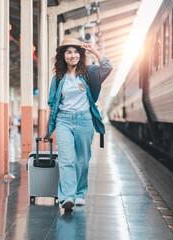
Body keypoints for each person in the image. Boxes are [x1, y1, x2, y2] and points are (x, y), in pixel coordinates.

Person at [44, 37, 112, 211]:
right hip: (63, 120)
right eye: (69, 52)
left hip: (84, 120)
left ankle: (79, 194)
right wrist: (48, 128)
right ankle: (67, 197)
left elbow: (107, 67)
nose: (72, 55)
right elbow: (52, 103)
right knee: (66, 159)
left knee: (82, 160)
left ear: (80, 55)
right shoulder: (58, 78)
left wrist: (93, 50)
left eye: (76, 52)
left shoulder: (90, 73)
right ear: (63, 56)